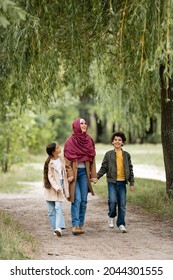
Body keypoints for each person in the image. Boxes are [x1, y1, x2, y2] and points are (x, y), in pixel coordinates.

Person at [64, 118, 97, 235]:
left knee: (84, 200)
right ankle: (75, 225)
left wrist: (93, 175)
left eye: (85, 123)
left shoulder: (89, 140)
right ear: (76, 126)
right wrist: (70, 174)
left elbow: (92, 159)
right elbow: (67, 161)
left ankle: (81, 225)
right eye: (81, 123)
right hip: (74, 174)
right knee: (76, 199)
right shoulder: (70, 141)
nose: (84, 125)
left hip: (84, 174)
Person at [97, 131, 134, 233]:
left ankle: (121, 223)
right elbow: (103, 168)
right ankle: (112, 216)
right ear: (112, 142)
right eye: (115, 140)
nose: (117, 141)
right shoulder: (108, 154)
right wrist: (97, 177)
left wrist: (131, 183)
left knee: (122, 204)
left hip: (122, 182)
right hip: (112, 182)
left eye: (120, 140)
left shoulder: (126, 155)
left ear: (123, 142)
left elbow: (130, 169)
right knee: (112, 201)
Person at [43, 143, 69, 237]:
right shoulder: (49, 162)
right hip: (51, 188)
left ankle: (58, 228)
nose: (59, 148)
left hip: (60, 185)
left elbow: (66, 169)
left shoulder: (62, 159)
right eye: (57, 148)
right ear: (54, 151)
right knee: (51, 211)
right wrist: (56, 187)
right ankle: (55, 229)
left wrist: (68, 178)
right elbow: (50, 177)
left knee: (58, 207)